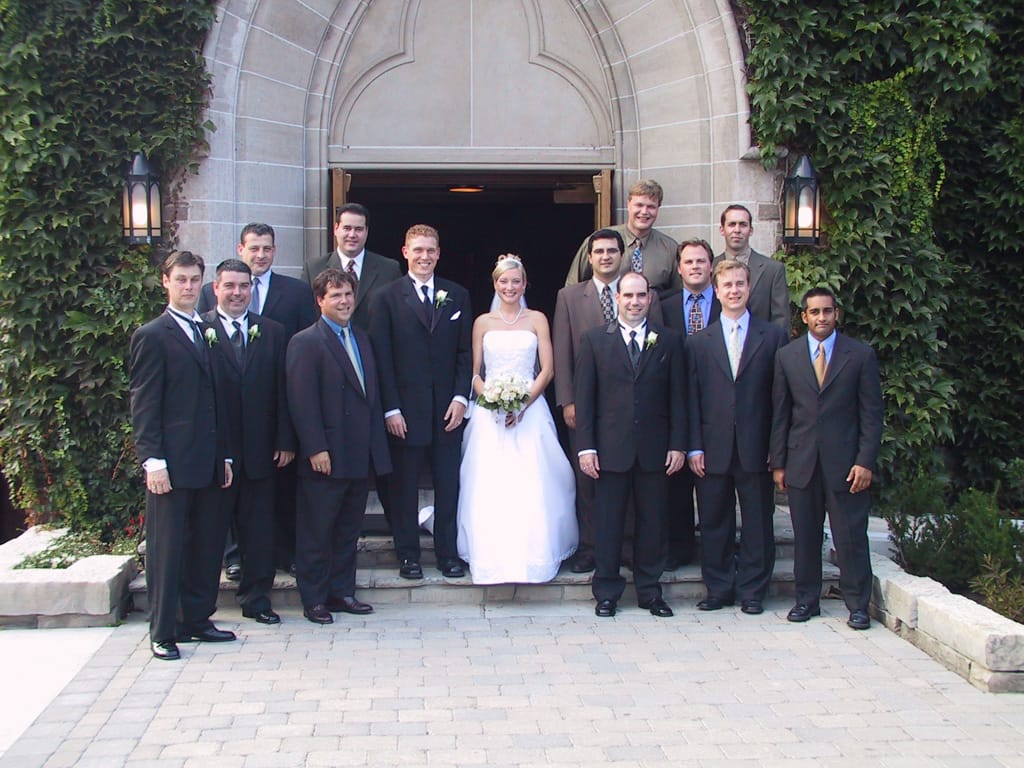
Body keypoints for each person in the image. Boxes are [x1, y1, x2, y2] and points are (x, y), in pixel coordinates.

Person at [130, 251, 235, 660]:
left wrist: (224, 455)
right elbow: (145, 402)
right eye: (181, 280)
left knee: (207, 546)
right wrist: (152, 460)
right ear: (165, 282)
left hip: (208, 460)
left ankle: (197, 618)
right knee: (168, 548)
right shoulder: (152, 335)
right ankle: (162, 630)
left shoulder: (207, 329)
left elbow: (218, 399)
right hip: (171, 464)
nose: (188, 287)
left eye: (194, 280)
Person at [200, 223, 317, 576]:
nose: (261, 255)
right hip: (222, 419)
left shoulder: (296, 293)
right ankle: (233, 555)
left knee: (276, 494)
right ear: (241, 249)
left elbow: (302, 354)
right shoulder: (208, 294)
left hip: (269, 411)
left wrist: (287, 431)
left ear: (274, 251)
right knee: (227, 492)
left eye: (267, 248)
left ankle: (282, 551)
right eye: (254, 248)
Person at [457, 256, 578, 583]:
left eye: (515, 282)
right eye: (503, 282)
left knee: (533, 481)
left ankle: (535, 553)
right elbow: (475, 372)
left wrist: (522, 403)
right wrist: (493, 401)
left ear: (524, 284)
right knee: (491, 483)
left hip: (530, 408)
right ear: (495, 284)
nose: (509, 288)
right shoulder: (483, 322)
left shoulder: (537, 319)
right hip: (491, 413)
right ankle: (490, 554)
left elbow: (548, 369)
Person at [575, 272, 687, 618]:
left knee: (653, 522)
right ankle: (607, 591)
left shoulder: (668, 340)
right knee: (608, 523)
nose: (635, 302)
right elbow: (586, 398)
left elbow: (678, 398)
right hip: (610, 449)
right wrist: (586, 447)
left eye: (641, 295)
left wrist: (678, 444)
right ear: (617, 299)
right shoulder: (595, 340)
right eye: (629, 296)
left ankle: (650, 592)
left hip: (655, 449)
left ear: (649, 299)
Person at [771, 287, 883, 630]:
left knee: (850, 536)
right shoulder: (787, 357)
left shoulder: (860, 356)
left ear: (837, 314)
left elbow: (871, 414)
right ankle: (806, 600)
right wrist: (778, 463)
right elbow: (781, 413)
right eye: (814, 312)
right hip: (802, 462)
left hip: (847, 465)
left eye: (827, 311)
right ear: (803, 317)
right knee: (805, 536)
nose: (821, 318)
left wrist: (865, 461)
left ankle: (857, 605)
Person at [553, 229, 664, 573]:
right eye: (598, 251)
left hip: (631, 410)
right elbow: (562, 351)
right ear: (589, 257)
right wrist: (568, 400)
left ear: (622, 255)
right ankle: (590, 547)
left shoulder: (644, 295)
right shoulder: (569, 297)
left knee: (631, 478)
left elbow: (654, 348)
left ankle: (628, 547)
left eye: (611, 251)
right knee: (588, 479)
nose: (605, 256)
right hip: (585, 408)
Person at [286, 269, 391, 624]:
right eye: (335, 296)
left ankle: (342, 592)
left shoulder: (361, 338)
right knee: (317, 529)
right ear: (319, 301)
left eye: (347, 294)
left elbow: (368, 396)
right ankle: (314, 599)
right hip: (326, 454)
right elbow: (302, 402)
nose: (344, 301)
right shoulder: (306, 342)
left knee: (348, 528)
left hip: (358, 451)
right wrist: (316, 448)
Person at [368, 225, 472, 580]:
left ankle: (448, 554)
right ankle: (408, 555)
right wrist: (390, 408)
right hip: (405, 412)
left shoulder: (456, 295)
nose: (424, 256)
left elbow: (464, 353)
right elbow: (381, 356)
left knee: (448, 485)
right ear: (405, 252)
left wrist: (461, 398)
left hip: (448, 411)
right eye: (418, 250)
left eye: (430, 250)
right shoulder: (385, 298)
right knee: (404, 488)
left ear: (439, 253)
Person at [686, 259, 787, 615]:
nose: (733, 290)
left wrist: (777, 450)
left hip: (756, 447)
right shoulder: (698, 342)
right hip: (712, 448)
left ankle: (753, 591)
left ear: (748, 288)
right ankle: (719, 588)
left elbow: (781, 398)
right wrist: (694, 445)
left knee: (758, 523)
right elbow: (692, 399)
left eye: (740, 284)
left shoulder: (772, 336)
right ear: (716, 290)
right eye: (727, 285)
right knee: (714, 522)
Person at [201, 258, 294, 625]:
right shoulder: (199, 328)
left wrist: (285, 440)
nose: (238, 293)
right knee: (210, 534)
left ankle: (257, 600)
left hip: (260, 450)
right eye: (230, 286)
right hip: (215, 452)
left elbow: (283, 391)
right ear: (216, 289)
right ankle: (200, 609)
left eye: (244, 286)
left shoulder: (271, 331)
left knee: (259, 532)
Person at [659, 238, 721, 569]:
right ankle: (679, 550)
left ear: (711, 265)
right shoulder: (664, 306)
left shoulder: (728, 304)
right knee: (676, 486)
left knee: (713, 488)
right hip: (674, 405)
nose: (695, 266)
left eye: (701, 261)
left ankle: (716, 554)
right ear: (679, 268)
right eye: (689, 262)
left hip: (716, 405)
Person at [564, 180, 680, 295]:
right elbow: (572, 288)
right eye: (639, 205)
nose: (644, 212)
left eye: (651, 207)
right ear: (628, 204)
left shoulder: (670, 249)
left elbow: (678, 296)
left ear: (658, 208)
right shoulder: (600, 241)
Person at [301, 202, 402, 330]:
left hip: (373, 347)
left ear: (366, 231)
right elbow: (306, 315)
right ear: (336, 229)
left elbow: (397, 315)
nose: (352, 235)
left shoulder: (389, 270)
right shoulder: (313, 268)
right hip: (328, 346)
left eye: (358, 229)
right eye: (347, 228)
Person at [715, 205, 791, 331]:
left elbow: (781, 319)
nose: (737, 230)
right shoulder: (710, 267)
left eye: (743, 225)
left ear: (751, 230)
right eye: (732, 224)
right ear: (722, 230)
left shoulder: (772, 270)